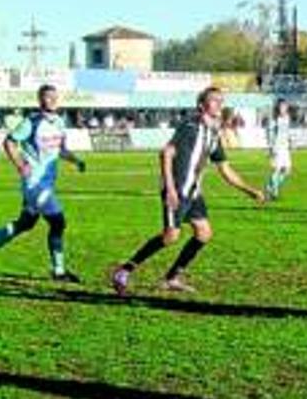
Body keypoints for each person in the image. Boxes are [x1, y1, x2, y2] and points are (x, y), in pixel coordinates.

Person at [111, 87, 265, 295]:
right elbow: (165, 153)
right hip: (177, 190)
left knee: (204, 233)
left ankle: (172, 277)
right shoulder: (190, 126)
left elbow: (226, 170)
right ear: (202, 105)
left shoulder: (213, 133)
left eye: (221, 100)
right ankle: (124, 270)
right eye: (213, 100)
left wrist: (249, 190)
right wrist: (171, 188)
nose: (219, 103)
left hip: (193, 193)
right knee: (170, 236)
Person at [0, 84, 86, 282]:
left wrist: (76, 160)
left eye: (55, 96)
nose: (53, 99)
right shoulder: (32, 122)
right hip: (35, 185)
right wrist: (20, 165)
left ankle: (59, 270)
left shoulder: (60, 122)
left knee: (24, 224)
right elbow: (9, 142)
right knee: (58, 222)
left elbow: (61, 150)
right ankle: (59, 271)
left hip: (46, 184)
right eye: (48, 97)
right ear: (40, 100)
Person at [265, 98, 293, 201]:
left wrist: (290, 142)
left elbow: (287, 132)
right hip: (276, 148)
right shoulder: (274, 120)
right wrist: (271, 148)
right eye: (282, 106)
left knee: (287, 171)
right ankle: (274, 191)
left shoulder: (287, 118)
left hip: (285, 148)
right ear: (278, 108)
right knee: (276, 170)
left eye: (285, 106)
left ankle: (269, 187)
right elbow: (270, 134)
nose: (284, 108)